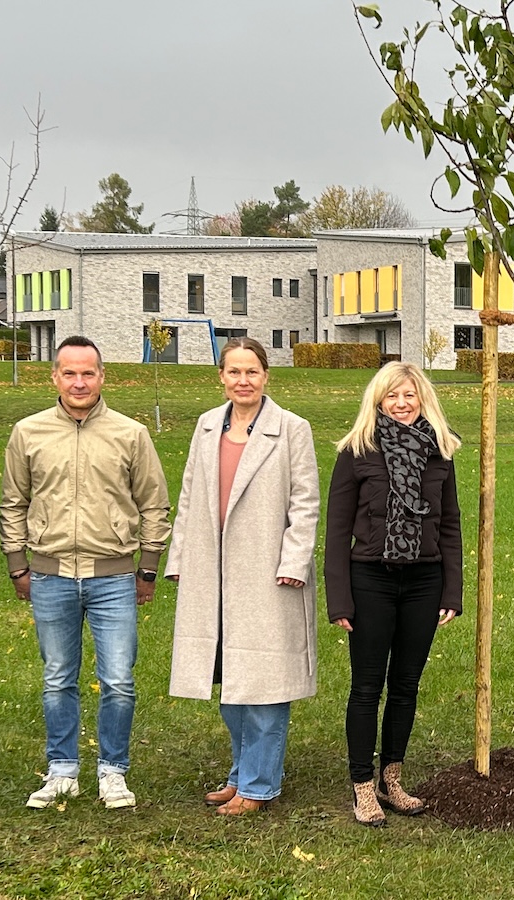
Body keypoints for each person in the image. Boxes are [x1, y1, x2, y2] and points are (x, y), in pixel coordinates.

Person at [0, 335, 170, 811]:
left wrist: (148, 567)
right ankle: (62, 770)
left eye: (88, 372)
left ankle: (113, 770)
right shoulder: (28, 432)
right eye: (69, 372)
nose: (79, 381)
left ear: (102, 376)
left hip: (113, 578)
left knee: (119, 680)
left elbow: (153, 503)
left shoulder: (130, 434)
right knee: (59, 678)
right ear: (54, 376)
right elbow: (14, 502)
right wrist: (17, 563)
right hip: (50, 575)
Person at [166, 338, 320, 816]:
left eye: (251, 372)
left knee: (265, 685)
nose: (243, 381)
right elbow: (190, 496)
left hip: (269, 576)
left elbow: (306, 503)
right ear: (221, 376)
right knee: (229, 684)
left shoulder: (292, 429)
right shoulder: (206, 426)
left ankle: (258, 784)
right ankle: (240, 773)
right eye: (234, 372)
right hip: (212, 574)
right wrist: (179, 560)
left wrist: (293, 564)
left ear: (266, 375)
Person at [326, 362, 463, 827]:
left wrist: (452, 589)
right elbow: (337, 530)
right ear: (378, 401)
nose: (401, 404)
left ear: (423, 399)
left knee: (405, 686)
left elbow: (450, 527)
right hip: (370, 579)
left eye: (409, 395)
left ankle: (392, 779)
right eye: (392, 396)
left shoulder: (439, 452)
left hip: (424, 581)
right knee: (367, 687)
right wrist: (339, 599)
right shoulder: (357, 451)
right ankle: (362, 785)